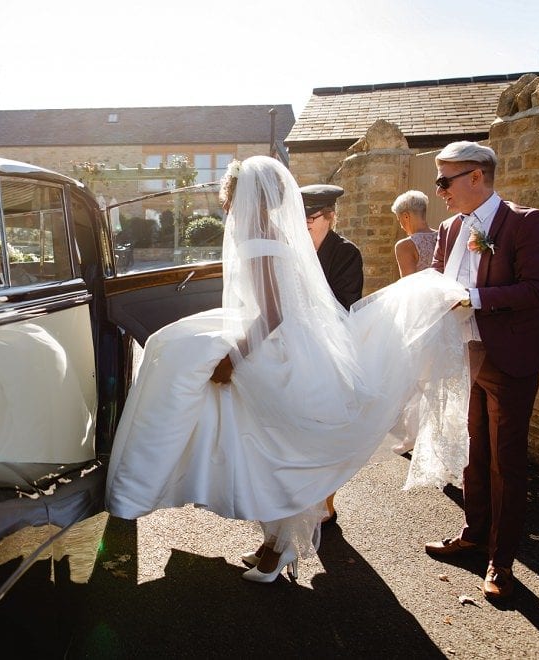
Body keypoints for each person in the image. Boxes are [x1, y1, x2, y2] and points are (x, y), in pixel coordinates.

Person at [106, 156, 471, 584]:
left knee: (273, 452)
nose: (224, 199)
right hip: (288, 345)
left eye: (227, 191)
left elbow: (273, 311)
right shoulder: (271, 232)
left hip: (274, 352)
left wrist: (234, 358)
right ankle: (273, 543)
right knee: (263, 448)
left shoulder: (257, 237)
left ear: (240, 195)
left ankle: (279, 547)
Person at [424, 141, 539, 601]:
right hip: (466, 355)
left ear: (476, 176)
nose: (439, 190)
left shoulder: (526, 222)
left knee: (507, 462)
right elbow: (439, 281)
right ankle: (473, 535)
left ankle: (501, 562)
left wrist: (475, 299)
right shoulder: (447, 228)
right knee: (472, 452)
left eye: (445, 180)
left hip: (510, 358)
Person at [300, 183, 365, 525]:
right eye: (301, 216)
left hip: (331, 349)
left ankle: (326, 504)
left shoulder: (346, 253)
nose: (305, 222)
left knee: (329, 428)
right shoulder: (293, 249)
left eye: (311, 216)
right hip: (295, 348)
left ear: (330, 217)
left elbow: (346, 303)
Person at [389, 190, 438, 455]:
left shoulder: (405, 246)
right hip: (447, 314)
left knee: (416, 378)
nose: (400, 223)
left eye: (399, 218)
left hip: (420, 317)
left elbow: (411, 287)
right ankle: (435, 437)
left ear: (406, 216)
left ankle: (413, 437)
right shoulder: (445, 237)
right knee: (439, 378)